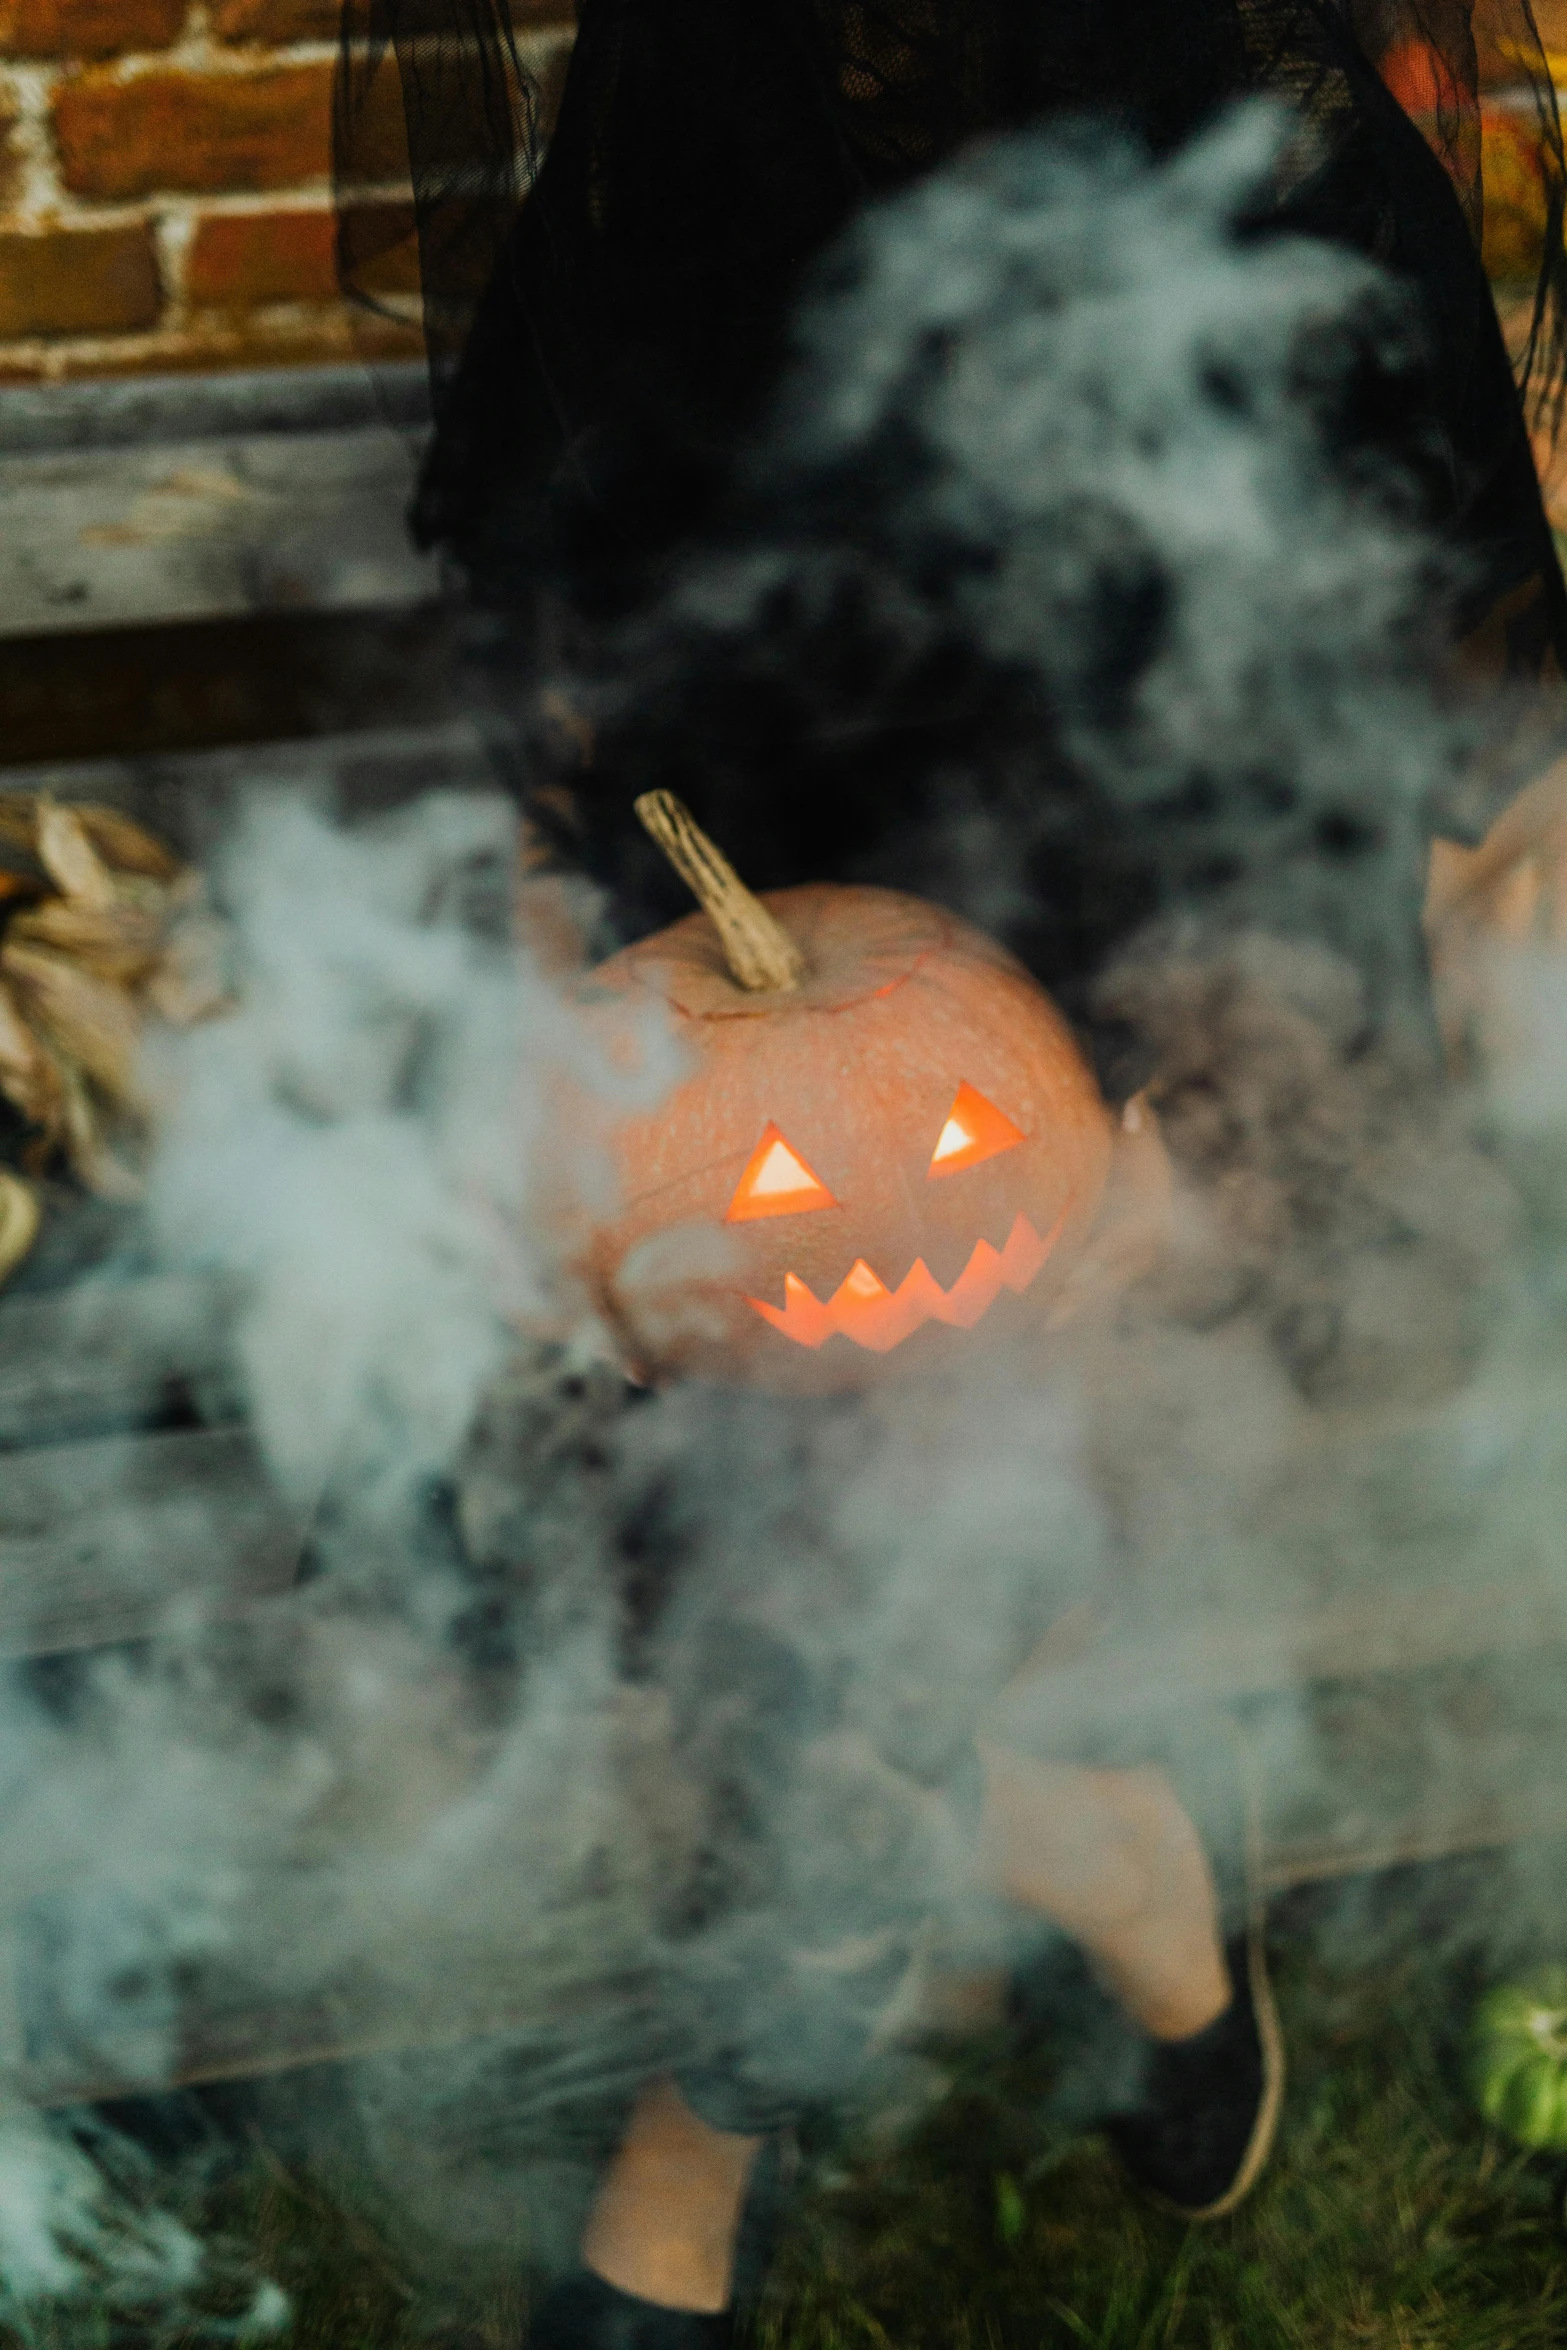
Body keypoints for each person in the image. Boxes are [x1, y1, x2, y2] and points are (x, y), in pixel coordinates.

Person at [336, 5, 1567, 2342]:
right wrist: (546, 1014)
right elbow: (577, 648)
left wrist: (1194, 1143)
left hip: (1178, 1052)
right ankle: (1114, 1862)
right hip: (766, 1014)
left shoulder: (1290, 148)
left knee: (866, 1534)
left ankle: (693, 2149)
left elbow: (1421, 757)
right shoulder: (685, 111)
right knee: (761, 1462)